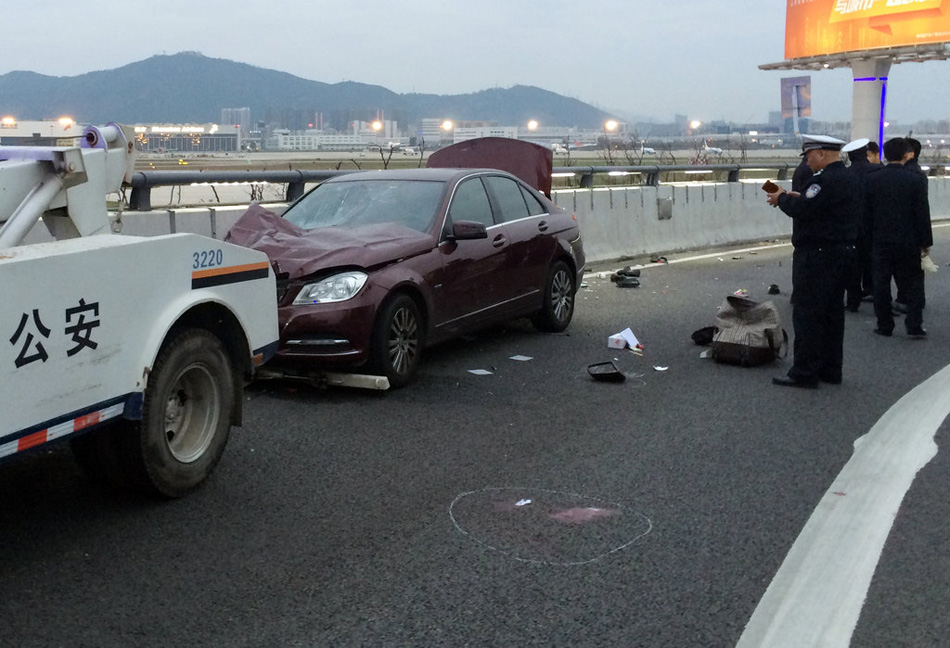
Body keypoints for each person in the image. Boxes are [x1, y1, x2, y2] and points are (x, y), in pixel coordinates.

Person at [766, 135, 860, 388]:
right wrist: (802, 197)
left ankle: (805, 371)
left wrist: (782, 199)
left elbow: (804, 211)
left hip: (817, 256)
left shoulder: (823, 180)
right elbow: (822, 208)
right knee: (831, 314)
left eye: (809, 156)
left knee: (808, 315)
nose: (808, 162)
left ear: (820, 153)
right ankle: (830, 369)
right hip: (841, 253)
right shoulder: (848, 178)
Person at [864, 137, 932, 339]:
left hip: (880, 240)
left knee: (881, 284)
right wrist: (925, 242)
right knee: (914, 284)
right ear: (906, 155)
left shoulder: (872, 179)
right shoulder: (916, 179)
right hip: (908, 241)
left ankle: (884, 325)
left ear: (885, 154)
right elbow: (922, 213)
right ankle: (914, 325)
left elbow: (866, 214)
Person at [842, 138, 876, 311]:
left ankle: (853, 301)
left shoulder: (845, 174)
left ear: (849, 156)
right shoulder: (879, 170)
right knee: (875, 263)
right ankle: (876, 296)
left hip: (852, 226)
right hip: (875, 225)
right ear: (866, 154)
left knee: (853, 266)